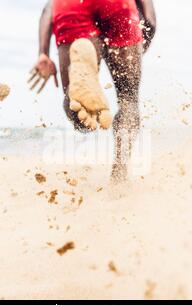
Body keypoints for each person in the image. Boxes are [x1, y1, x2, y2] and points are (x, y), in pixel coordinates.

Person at [28, 0, 156, 182]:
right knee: (128, 98)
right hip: (118, 6)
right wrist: (136, 45)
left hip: (71, 5)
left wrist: (43, 52)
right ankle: (119, 174)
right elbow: (150, 21)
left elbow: (48, 8)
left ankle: (82, 84)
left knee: (77, 107)